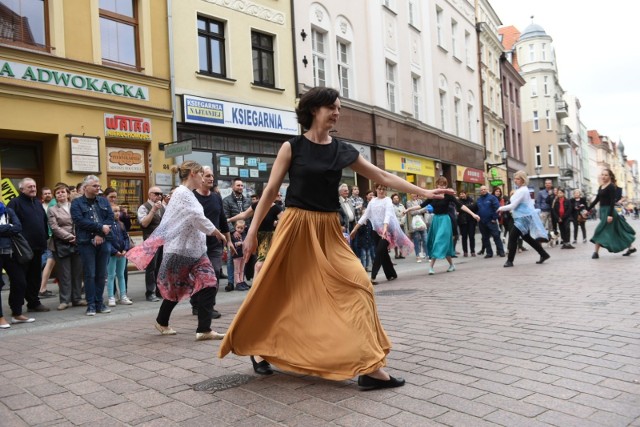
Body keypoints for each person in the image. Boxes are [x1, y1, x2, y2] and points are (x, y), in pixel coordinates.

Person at [219, 87, 454, 389]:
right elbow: (269, 191)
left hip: (328, 229)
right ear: (314, 109)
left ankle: (368, 367)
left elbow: (381, 176)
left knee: (359, 285)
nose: (337, 112)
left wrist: (423, 192)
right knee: (279, 292)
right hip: (296, 225)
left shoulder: (342, 149)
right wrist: (251, 233)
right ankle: (260, 348)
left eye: (339, 107)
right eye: (332, 107)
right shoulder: (292, 147)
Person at [127, 161, 227, 340]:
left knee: (208, 283)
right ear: (192, 174)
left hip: (193, 250)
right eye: (201, 174)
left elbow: (195, 218)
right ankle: (164, 322)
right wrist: (216, 232)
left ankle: (203, 329)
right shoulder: (182, 193)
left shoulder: (186, 194)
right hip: (181, 251)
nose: (204, 178)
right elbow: (197, 217)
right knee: (177, 289)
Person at [411, 177, 479, 275]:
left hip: (445, 220)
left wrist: (473, 214)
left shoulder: (448, 196)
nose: (442, 186)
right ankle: (451, 265)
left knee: (438, 241)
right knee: (439, 243)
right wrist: (409, 210)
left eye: (444, 185)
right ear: (437, 185)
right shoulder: (433, 196)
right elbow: (422, 205)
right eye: (440, 184)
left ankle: (431, 267)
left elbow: (460, 205)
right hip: (436, 220)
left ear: (446, 186)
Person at [192, 166, 233, 319]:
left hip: (215, 244)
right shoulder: (192, 197)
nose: (211, 179)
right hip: (196, 245)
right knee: (198, 276)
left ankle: (208, 307)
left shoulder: (216, 197)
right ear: (200, 177)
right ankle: (196, 304)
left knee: (214, 273)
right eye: (208, 176)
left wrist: (228, 241)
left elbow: (222, 220)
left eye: (212, 177)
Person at [70, 175, 114, 316]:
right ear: (85, 188)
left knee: (101, 275)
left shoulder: (103, 201)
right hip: (85, 242)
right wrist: (100, 228)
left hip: (104, 241)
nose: (98, 188)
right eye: (94, 186)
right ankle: (91, 305)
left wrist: (101, 235)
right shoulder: (77, 203)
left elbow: (110, 218)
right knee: (90, 274)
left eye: (98, 186)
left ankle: (99, 303)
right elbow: (79, 221)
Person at [351, 184, 413, 283]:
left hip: (388, 231)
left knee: (379, 251)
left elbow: (388, 214)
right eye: (379, 189)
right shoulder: (372, 201)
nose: (381, 191)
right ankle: (391, 274)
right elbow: (365, 215)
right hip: (376, 231)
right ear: (376, 189)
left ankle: (372, 277)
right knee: (383, 253)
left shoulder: (388, 200)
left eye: (384, 189)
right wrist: (355, 229)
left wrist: (385, 228)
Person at [7, 178, 50, 313]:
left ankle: (33, 303)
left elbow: (44, 221)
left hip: (37, 247)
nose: (33, 189)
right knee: (20, 279)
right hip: (22, 249)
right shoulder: (14, 203)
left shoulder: (37, 203)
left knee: (34, 277)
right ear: (22, 189)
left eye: (34, 186)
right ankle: (17, 307)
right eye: (29, 187)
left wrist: (45, 238)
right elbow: (10, 224)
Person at [497, 171, 551, 267]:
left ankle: (510, 261)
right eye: (515, 179)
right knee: (527, 237)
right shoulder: (520, 190)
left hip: (522, 219)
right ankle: (544, 254)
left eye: (518, 179)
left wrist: (500, 208)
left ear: (523, 180)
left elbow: (513, 205)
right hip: (520, 217)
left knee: (513, 237)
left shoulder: (523, 191)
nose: (515, 180)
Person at [47, 184, 85, 310]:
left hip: (78, 242)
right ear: (55, 196)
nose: (61, 194)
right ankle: (64, 300)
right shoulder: (52, 209)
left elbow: (79, 221)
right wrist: (70, 237)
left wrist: (77, 236)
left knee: (77, 272)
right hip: (61, 244)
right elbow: (54, 227)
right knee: (64, 274)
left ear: (68, 194)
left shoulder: (74, 206)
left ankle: (77, 298)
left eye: (63, 192)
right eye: (58, 193)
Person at [0, 202, 35, 327]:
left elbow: (18, 227)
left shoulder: (8, 211)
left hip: (11, 252)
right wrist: (9, 227)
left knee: (20, 282)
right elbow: (12, 228)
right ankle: (0, 318)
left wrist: (6, 228)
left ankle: (17, 314)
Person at [588, 169, 636, 259]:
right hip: (602, 211)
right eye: (602, 175)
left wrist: (610, 215)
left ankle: (596, 252)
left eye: (606, 175)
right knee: (618, 230)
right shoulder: (601, 186)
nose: (603, 176)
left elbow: (611, 202)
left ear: (610, 176)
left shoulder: (611, 187)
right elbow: (597, 199)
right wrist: (588, 209)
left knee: (599, 230)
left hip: (609, 212)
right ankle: (631, 247)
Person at [222, 178, 252, 291]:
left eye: (242, 186)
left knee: (243, 257)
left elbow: (249, 217)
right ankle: (231, 282)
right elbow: (225, 218)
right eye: (238, 185)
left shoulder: (247, 201)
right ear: (233, 187)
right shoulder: (226, 200)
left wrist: (249, 232)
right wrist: (232, 231)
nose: (240, 187)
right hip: (232, 233)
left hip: (245, 233)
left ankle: (241, 281)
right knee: (231, 258)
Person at [138, 187, 165, 302]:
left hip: (162, 241)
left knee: (160, 267)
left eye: (161, 194)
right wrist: (153, 210)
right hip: (150, 242)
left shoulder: (163, 207)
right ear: (150, 195)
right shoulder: (144, 207)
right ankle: (150, 292)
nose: (159, 196)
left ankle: (159, 291)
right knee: (151, 268)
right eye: (156, 193)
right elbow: (144, 223)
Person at [107, 204, 133, 307]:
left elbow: (126, 238)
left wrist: (125, 249)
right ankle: (111, 297)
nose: (117, 213)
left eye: (118, 211)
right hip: (112, 255)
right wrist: (114, 251)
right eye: (114, 211)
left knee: (121, 275)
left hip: (122, 254)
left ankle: (123, 295)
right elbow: (107, 241)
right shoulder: (107, 225)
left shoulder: (121, 224)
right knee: (111, 275)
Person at [476, 185, 505, 258]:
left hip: (491, 221)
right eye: (481, 190)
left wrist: (494, 218)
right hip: (482, 221)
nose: (483, 191)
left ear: (487, 190)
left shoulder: (492, 198)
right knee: (485, 238)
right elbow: (477, 209)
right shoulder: (479, 199)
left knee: (496, 236)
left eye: (484, 189)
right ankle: (489, 253)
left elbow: (497, 208)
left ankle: (501, 252)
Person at [406, 193, 428, 262]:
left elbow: (425, 209)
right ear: (410, 195)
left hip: (422, 221)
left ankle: (427, 254)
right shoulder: (408, 202)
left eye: (415, 193)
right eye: (412, 194)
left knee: (425, 239)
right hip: (414, 222)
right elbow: (411, 213)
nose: (414, 195)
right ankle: (418, 255)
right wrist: (420, 211)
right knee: (416, 239)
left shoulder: (420, 201)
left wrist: (417, 211)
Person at [457, 190, 477, 257]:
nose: (462, 195)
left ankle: (472, 251)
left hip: (471, 221)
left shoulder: (471, 200)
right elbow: (458, 209)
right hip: (463, 222)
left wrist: (464, 207)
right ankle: (465, 251)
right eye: (460, 194)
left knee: (472, 236)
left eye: (463, 194)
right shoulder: (458, 201)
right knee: (464, 237)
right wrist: (468, 207)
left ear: (466, 194)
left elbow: (474, 207)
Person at [230, 220, 248, 290]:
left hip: (243, 254)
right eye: (238, 228)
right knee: (237, 270)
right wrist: (238, 243)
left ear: (244, 228)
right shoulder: (234, 235)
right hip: (236, 255)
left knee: (242, 269)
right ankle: (238, 282)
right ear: (235, 227)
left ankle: (242, 281)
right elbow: (232, 244)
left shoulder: (244, 234)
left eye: (241, 228)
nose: (240, 230)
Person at [391, 193, 407, 259]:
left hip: (402, 225)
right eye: (394, 198)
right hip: (395, 225)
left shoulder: (402, 205)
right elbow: (392, 216)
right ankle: (396, 253)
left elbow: (404, 214)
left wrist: (402, 221)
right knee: (395, 239)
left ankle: (401, 253)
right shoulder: (391, 206)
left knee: (401, 239)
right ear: (392, 199)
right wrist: (397, 222)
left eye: (397, 198)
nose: (396, 200)